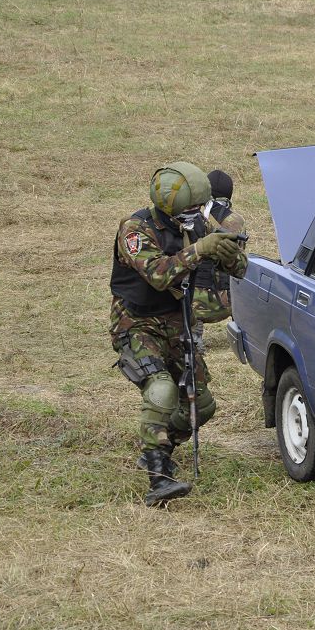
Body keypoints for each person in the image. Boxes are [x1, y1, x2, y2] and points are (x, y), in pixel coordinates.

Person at [109, 161, 247, 506]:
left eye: (200, 207)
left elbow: (240, 269)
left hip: (177, 321)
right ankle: (158, 478)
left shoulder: (197, 225)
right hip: (136, 323)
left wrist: (229, 256)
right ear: (169, 205)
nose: (198, 214)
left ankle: (160, 446)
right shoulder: (135, 230)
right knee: (161, 389)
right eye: (191, 208)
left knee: (201, 405)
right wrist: (200, 250)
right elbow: (158, 275)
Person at [188, 169, 247, 349]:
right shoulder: (236, 221)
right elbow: (238, 262)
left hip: (195, 306)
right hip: (230, 302)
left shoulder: (191, 217)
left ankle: (195, 336)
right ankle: (241, 331)